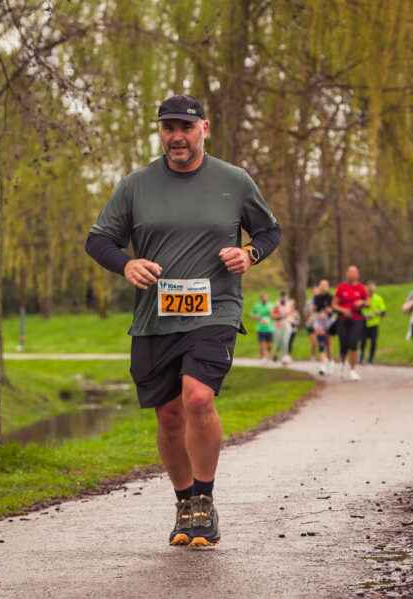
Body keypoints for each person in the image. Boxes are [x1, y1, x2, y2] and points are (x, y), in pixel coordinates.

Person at [84, 94, 281, 547]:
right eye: (168, 127)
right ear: (160, 131)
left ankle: (205, 501)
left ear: (204, 129)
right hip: (156, 315)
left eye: (185, 127)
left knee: (196, 399)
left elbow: (270, 231)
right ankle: (184, 503)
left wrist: (249, 253)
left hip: (216, 308)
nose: (177, 136)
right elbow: (99, 241)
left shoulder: (234, 180)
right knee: (169, 414)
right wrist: (126, 264)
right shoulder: (136, 185)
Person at [332, 266, 369, 381]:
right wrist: (343, 310)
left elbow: (368, 303)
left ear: (358, 275)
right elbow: (334, 304)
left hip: (357, 318)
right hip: (343, 319)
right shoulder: (341, 288)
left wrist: (362, 302)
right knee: (343, 345)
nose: (352, 274)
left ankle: (352, 369)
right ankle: (343, 364)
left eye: (355, 272)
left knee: (353, 343)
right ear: (347, 274)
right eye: (350, 272)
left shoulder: (361, 288)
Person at [359, 280, 386, 364]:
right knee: (363, 342)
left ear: (375, 288)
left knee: (373, 342)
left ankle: (370, 358)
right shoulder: (362, 298)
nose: (370, 289)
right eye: (369, 287)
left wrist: (380, 312)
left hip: (374, 324)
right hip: (364, 323)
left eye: (372, 287)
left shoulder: (378, 298)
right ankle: (361, 357)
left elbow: (383, 312)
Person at [312, 280, 335, 374]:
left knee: (328, 344)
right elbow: (316, 308)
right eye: (321, 285)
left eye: (325, 285)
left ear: (328, 287)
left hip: (329, 321)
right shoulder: (316, 297)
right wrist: (314, 309)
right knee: (321, 343)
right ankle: (322, 366)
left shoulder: (331, 297)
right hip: (320, 321)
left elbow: (334, 308)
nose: (323, 287)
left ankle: (330, 361)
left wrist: (331, 310)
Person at [249, 292, 275, 361]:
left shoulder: (271, 305)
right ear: (261, 298)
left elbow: (274, 315)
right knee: (262, 344)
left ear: (268, 298)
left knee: (270, 345)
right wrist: (255, 316)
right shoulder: (257, 306)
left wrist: (271, 312)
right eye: (263, 298)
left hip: (270, 328)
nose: (265, 299)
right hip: (260, 328)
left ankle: (267, 354)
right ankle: (263, 357)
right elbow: (251, 314)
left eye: (266, 297)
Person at [271, 291, 294, 363]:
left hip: (286, 324)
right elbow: (273, 315)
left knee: (285, 341)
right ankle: (275, 352)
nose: (283, 297)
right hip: (278, 325)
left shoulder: (290, 304)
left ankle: (284, 356)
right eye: (282, 296)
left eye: (284, 296)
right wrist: (280, 316)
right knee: (278, 342)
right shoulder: (277, 304)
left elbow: (292, 314)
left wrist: (289, 319)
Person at [306, 286, 319, 361]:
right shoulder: (308, 302)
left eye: (317, 291)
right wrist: (310, 311)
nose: (315, 293)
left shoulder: (322, 301)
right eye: (314, 291)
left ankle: (321, 355)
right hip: (310, 323)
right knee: (314, 341)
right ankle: (313, 356)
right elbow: (305, 314)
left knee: (321, 341)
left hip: (319, 323)